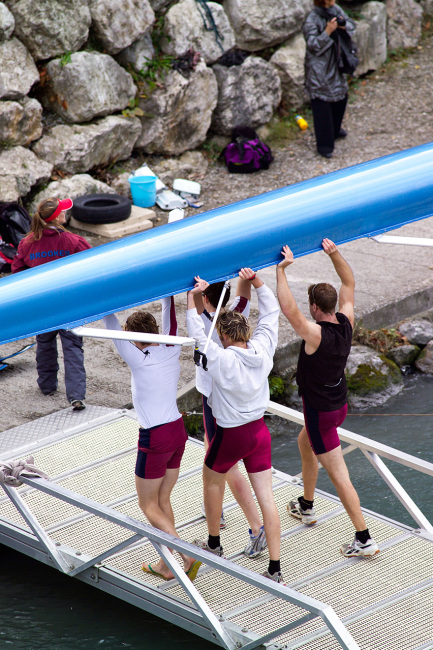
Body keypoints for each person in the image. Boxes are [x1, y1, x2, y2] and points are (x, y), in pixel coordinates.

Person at [276, 238, 379, 557]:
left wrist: (281, 272)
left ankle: (363, 538)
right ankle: (306, 505)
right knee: (303, 443)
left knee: (340, 477)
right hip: (338, 407)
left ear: (316, 308)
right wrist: (334, 253)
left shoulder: (315, 334)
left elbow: (289, 310)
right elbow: (349, 280)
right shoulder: (346, 320)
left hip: (321, 415)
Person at [187, 269, 283, 583]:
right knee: (267, 497)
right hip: (261, 433)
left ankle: (214, 544)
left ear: (225, 337)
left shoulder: (222, 359)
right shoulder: (264, 348)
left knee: (212, 480)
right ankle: (275, 568)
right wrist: (259, 282)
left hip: (233, 435)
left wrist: (192, 297)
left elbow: (199, 337)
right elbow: (271, 312)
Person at [103, 298, 201, 581]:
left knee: (147, 505)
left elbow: (111, 326)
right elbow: (170, 314)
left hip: (155, 437)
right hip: (177, 432)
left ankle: (186, 554)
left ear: (135, 339)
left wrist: (102, 299)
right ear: (155, 332)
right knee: (162, 499)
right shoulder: (171, 347)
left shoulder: (136, 355)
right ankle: (166, 564)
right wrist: (168, 294)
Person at [193, 279, 267, 558]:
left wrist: (194, 292)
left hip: (215, 399)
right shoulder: (237, 311)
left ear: (205, 298)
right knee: (211, 452)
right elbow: (243, 293)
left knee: (223, 464)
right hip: (236, 398)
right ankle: (217, 509)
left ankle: (255, 526)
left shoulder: (203, 322)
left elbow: (194, 305)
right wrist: (246, 277)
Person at [11, 197, 90, 411]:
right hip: (70, 304)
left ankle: (47, 386)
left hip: (43, 304)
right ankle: (76, 396)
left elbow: (17, 271)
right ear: (58, 217)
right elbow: (92, 264)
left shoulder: (27, 243)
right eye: (63, 211)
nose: (66, 213)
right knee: (72, 346)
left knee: (44, 344)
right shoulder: (73, 241)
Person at [303, 0, 356, 159]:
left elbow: (352, 25)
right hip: (319, 68)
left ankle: (334, 130)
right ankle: (324, 145)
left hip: (336, 62)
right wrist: (327, 32)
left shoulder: (336, 9)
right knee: (322, 104)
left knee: (341, 97)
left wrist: (343, 25)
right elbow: (313, 45)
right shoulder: (311, 19)